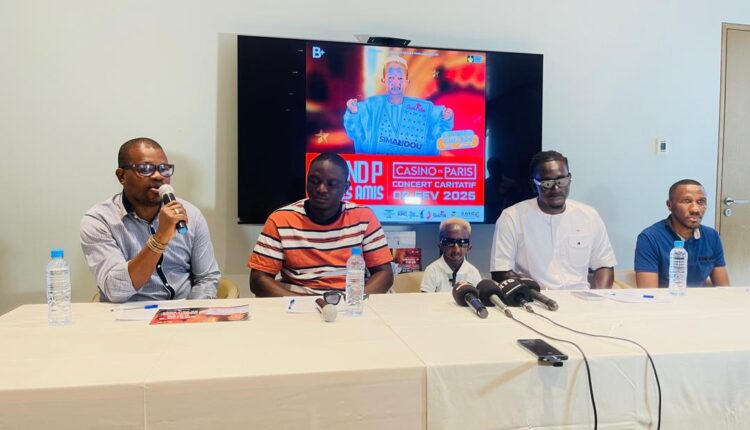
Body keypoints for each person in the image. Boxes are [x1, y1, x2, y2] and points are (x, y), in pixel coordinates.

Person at [80, 138, 220, 302]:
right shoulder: (99, 221)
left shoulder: (190, 215)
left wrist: (192, 311)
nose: (159, 176)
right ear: (122, 176)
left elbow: (207, 278)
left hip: (183, 311)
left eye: (164, 169)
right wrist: (160, 239)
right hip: (128, 314)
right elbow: (115, 291)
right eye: (145, 169)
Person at [249, 152, 394, 296]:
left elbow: (384, 273)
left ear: (346, 187)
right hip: (297, 301)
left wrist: (353, 301)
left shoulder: (364, 217)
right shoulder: (280, 219)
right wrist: (300, 304)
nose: (321, 189)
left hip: (351, 300)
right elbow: (258, 279)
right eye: (314, 181)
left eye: (332, 184)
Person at [490, 150, 617, 290]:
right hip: (536, 298)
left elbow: (604, 265)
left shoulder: (589, 216)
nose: (556, 189)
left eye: (562, 181)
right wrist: (531, 293)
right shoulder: (512, 217)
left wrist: (601, 297)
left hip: (581, 298)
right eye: (547, 183)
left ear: (569, 179)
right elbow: (501, 271)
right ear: (533, 184)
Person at [343, 55, 454, 155]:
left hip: (409, 168)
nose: (395, 82)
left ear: (407, 81)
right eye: (391, 78)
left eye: (400, 78)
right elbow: (355, 132)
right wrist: (353, 113)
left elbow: (438, 134)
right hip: (377, 168)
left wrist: (446, 119)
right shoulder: (371, 106)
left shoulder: (423, 109)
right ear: (384, 80)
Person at [634, 179, 730, 287]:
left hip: (700, 298)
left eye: (701, 202)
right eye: (686, 201)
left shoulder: (712, 236)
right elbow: (649, 292)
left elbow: (724, 289)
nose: (695, 209)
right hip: (667, 298)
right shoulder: (650, 238)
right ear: (669, 205)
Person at [420, 218, 482, 293]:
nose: (456, 250)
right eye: (450, 242)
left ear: (469, 247)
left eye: (462, 242)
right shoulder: (432, 271)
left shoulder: (473, 273)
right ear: (441, 246)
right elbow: (425, 299)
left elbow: (478, 298)